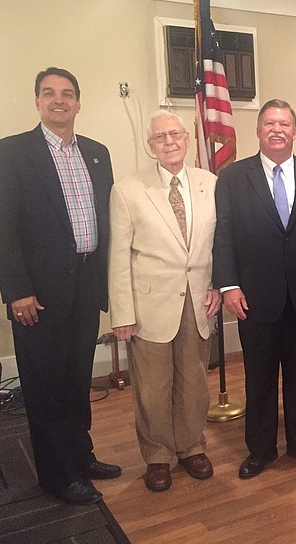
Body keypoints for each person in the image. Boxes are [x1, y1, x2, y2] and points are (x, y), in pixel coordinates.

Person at [0, 67, 120, 505]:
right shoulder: (10, 153)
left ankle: (82, 458)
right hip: (36, 295)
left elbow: (107, 222)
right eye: (49, 93)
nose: (58, 100)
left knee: (78, 379)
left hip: (85, 287)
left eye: (67, 93)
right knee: (44, 387)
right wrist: (16, 291)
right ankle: (57, 476)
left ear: (79, 102)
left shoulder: (98, 153)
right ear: (37, 102)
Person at [214, 99, 296, 479]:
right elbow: (223, 236)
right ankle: (261, 450)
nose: (277, 129)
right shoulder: (233, 177)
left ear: (294, 131)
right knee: (260, 379)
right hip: (254, 298)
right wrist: (229, 286)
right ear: (258, 130)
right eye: (269, 123)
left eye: (284, 123)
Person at [108, 111, 220, 492]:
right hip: (149, 307)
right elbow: (118, 256)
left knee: (194, 382)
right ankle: (158, 456)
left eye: (175, 134)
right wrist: (122, 312)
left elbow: (220, 245)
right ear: (149, 145)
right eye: (160, 137)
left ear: (187, 138)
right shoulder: (127, 189)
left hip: (198, 301)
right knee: (153, 387)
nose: (169, 142)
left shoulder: (211, 184)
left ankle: (192, 446)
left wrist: (219, 286)